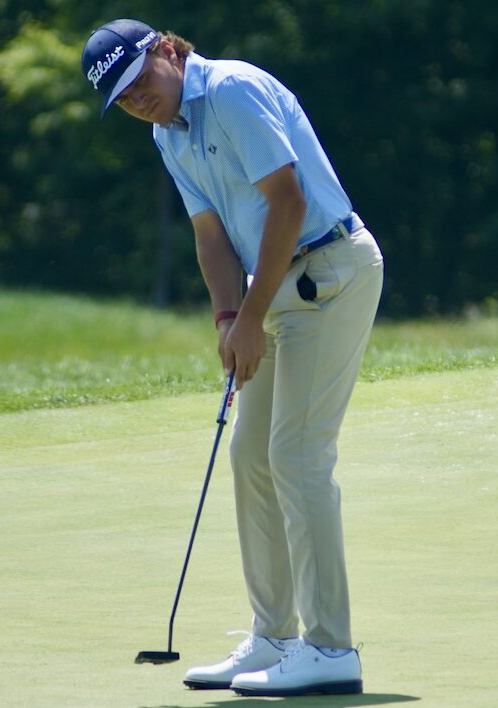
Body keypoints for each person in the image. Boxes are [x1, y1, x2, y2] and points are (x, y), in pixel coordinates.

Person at [81, 19, 384, 697]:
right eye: (122, 99)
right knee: (250, 454)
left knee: (296, 455)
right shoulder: (168, 133)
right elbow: (210, 236)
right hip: (275, 289)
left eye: (140, 81)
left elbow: (289, 203)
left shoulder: (232, 91)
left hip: (331, 272)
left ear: (166, 48)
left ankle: (330, 648)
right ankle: (274, 635)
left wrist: (249, 318)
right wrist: (227, 319)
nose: (138, 101)